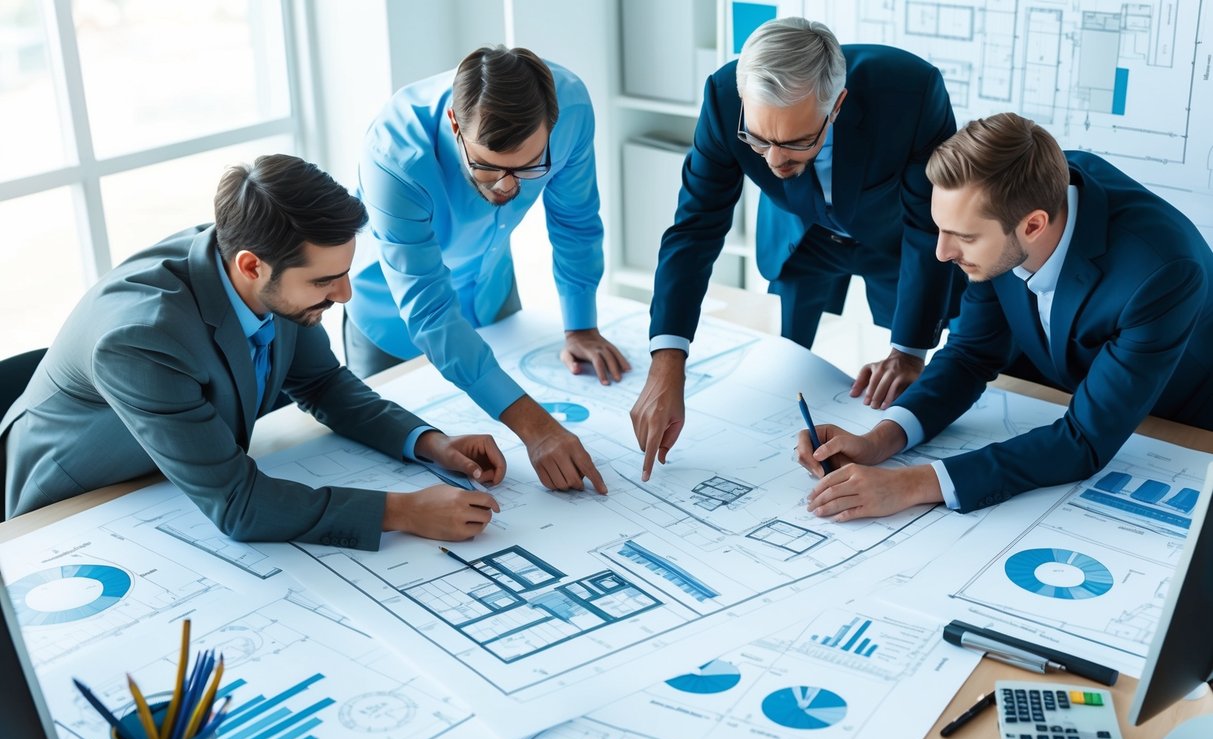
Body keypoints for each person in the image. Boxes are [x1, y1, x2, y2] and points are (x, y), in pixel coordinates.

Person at [1, 155, 506, 548]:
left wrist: (429, 443)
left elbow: (321, 383)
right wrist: (405, 511)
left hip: (174, 482)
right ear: (250, 266)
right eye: (326, 280)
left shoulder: (270, 271)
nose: (346, 294)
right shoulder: (139, 341)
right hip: (76, 511)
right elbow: (240, 506)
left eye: (346, 271)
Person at [801, 113, 1213, 519]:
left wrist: (910, 484)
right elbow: (970, 355)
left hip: (1178, 422)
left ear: (1034, 225)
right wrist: (879, 441)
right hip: (1056, 387)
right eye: (941, 228)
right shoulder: (1011, 194)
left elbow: (1085, 440)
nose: (942, 253)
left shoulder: (1161, 272)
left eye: (963, 237)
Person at [631, 17, 963, 480]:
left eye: (797, 142)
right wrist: (667, 361)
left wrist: (909, 351)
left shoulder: (911, 91)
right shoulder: (724, 96)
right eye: (759, 139)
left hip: (893, 242)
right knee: (789, 367)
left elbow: (930, 224)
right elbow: (695, 228)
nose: (773, 161)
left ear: (838, 105)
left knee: (896, 381)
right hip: (801, 236)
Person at [346, 45, 628, 495]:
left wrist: (581, 326)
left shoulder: (570, 108)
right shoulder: (393, 154)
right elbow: (432, 314)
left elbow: (575, 223)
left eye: (529, 166)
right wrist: (537, 428)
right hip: (393, 321)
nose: (508, 185)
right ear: (457, 125)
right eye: (486, 166)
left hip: (490, 289)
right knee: (402, 471)